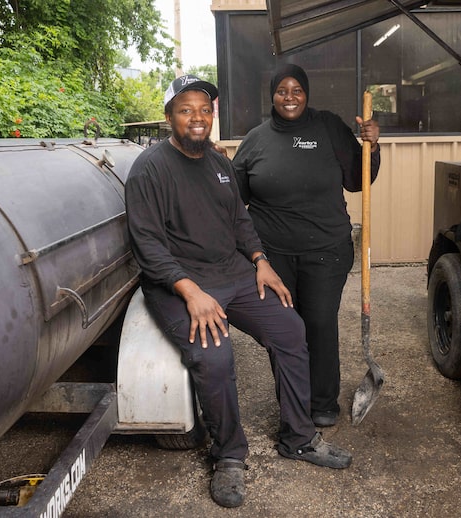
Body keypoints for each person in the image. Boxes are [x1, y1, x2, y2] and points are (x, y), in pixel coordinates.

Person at [124, 75, 353, 509]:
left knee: (290, 329)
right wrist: (190, 291)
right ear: (170, 115)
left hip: (232, 274)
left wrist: (260, 262)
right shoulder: (150, 169)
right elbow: (147, 244)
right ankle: (228, 454)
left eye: (205, 109)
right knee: (214, 353)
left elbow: (240, 222)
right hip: (178, 283)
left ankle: (298, 437)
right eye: (186, 109)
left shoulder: (217, 164)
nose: (197, 117)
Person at [232, 64, 381, 427]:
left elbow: (359, 180)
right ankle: (292, 403)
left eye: (297, 89)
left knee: (317, 322)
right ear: (272, 95)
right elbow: (234, 199)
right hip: (273, 254)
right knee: (284, 328)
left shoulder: (327, 127)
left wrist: (372, 146)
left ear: (307, 93)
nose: (289, 96)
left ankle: (323, 401)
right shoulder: (255, 140)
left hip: (326, 250)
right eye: (282, 90)